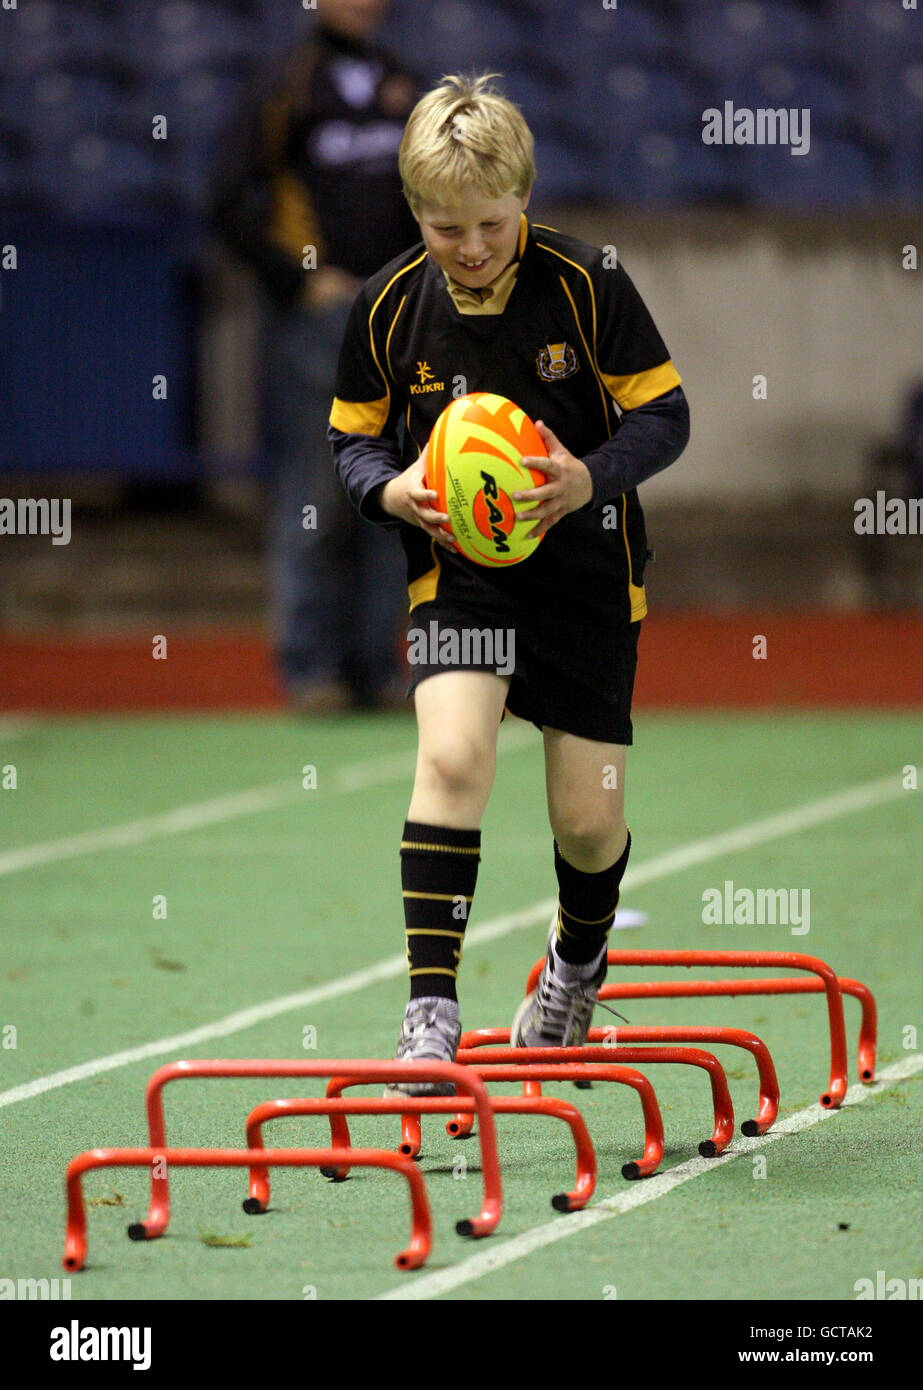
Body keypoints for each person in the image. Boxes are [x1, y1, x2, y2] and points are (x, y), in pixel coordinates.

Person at [328, 74, 690, 1092]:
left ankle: (575, 968)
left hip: (582, 576)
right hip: (460, 583)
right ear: (414, 213)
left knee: (586, 817)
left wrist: (584, 478)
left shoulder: (585, 283)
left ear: (522, 201)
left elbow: (663, 419)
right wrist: (392, 493)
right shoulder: (387, 305)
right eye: (446, 227)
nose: (472, 246)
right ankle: (429, 1013)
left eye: (490, 223)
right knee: (449, 759)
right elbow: (349, 442)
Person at [211, 0, 420, 711]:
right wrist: (298, 281)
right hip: (319, 326)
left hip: (396, 318)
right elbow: (226, 199)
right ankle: (310, 670)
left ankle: (376, 668)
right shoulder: (285, 85)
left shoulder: (403, 84)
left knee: (395, 495)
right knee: (318, 491)